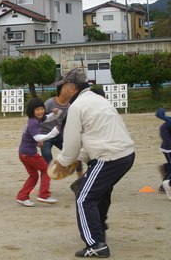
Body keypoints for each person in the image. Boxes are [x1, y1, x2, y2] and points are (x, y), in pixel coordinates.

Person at [53, 68, 135, 258]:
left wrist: (62, 162)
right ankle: (99, 230)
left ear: (72, 87)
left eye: (63, 86)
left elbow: (71, 143)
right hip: (125, 155)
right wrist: (79, 158)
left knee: (84, 197)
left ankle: (96, 243)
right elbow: (98, 136)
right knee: (99, 193)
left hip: (109, 158)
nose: (62, 90)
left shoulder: (77, 106)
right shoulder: (99, 100)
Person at [16, 98, 61, 207]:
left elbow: (48, 118)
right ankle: (44, 194)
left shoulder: (36, 119)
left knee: (33, 176)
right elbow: (38, 137)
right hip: (30, 154)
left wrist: (55, 114)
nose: (40, 111)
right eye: (37, 110)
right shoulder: (33, 123)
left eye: (42, 109)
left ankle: (22, 196)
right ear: (32, 111)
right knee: (47, 170)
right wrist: (53, 132)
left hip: (23, 153)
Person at [39, 83, 69, 164]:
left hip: (58, 134)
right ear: (59, 90)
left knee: (72, 154)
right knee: (47, 158)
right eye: (65, 89)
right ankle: (47, 175)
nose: (67, 91)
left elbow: (66, 122)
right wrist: (38, 137)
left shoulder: (69, 105)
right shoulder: (50, 103)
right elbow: (38, 118)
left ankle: (81, 175)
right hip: (46, 135)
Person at [156, 108, 171, 198]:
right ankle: (163, 187)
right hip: (168, 148)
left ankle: (165, 167)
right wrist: (169, 143)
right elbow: (163, 130)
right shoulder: (167, 124)